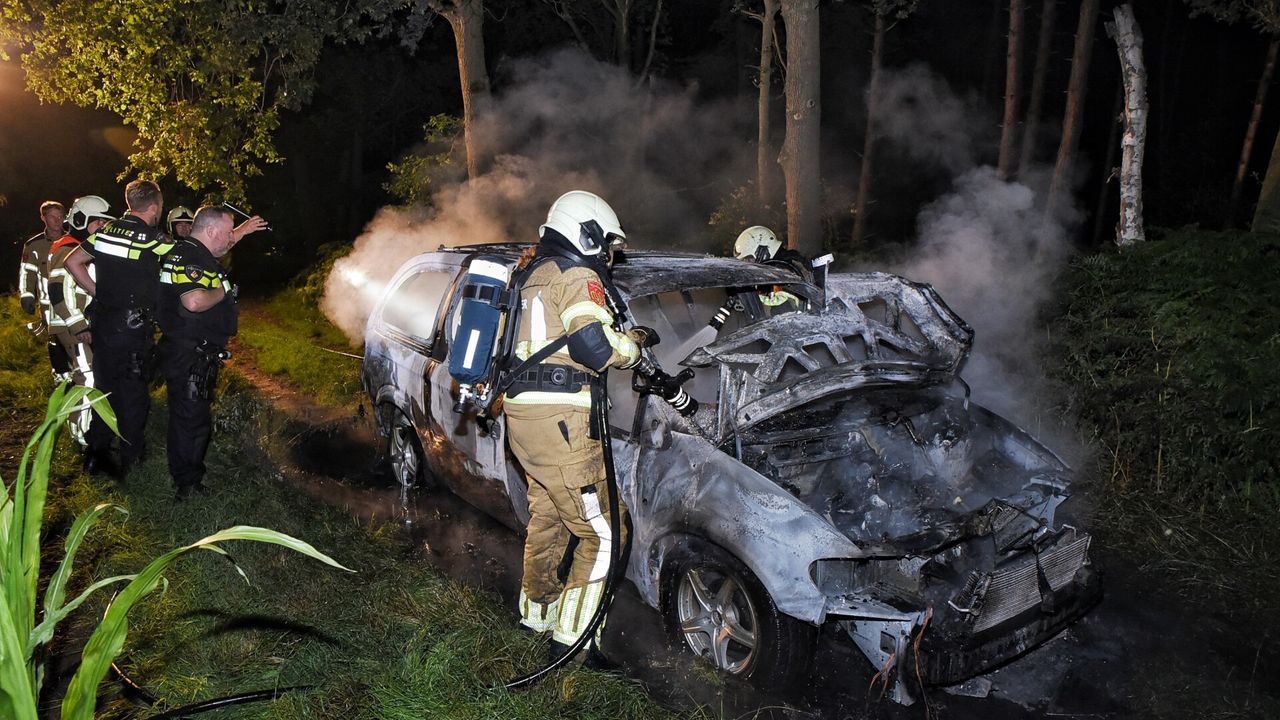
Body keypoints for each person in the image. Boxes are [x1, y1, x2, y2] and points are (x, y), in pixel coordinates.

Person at [502, 190, 643, 665]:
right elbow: (593, 349)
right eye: (606, 244)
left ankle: (535, 617)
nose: (608, 255)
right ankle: (574, 644)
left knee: (549, 520)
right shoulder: (577, 275)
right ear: (587, 234)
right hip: (561, 424)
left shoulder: (530, 273)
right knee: (605, 533)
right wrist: (633, 348)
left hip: (523, 420)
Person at [63, 180, 172, 476]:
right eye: (160, 207)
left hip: (104, 324)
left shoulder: (106, 232)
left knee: (103, 388)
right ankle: (131, 457)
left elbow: (73, 262)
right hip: (133, 328)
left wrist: (98, 291)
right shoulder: (152, 238)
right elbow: (185, 257)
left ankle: (96, 455)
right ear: (153, 207)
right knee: (133, 394)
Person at [157, 205, 264, 500]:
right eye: (227, 232)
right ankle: (187, 485)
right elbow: (194, 301)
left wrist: (241, 231)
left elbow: (219, 248)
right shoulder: (191, 257)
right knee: (191, 420)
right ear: (211, 231)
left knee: (188, 416)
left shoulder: (191, 250)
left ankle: (186, 476)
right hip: (190, 353)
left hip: (189, 349)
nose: (230, 238)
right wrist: (225, 290)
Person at [48, 195, 114, 447]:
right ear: (81, 220)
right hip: (71, 328)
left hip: (76, 325)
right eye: (99, 222)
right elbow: (57, 293)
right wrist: (79, 325)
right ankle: (82, 436)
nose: (103, 228)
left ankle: (86, 430)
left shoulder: (79, 247)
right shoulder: (67, 248)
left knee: (87, 377)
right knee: (87, 379)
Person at [18, 200, 70, 375]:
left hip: (73, 301)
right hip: (49, 306)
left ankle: (82, 373)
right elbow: (27, 272)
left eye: (60, 216)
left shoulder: (73, 240)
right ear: (43, 217)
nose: (57, 220)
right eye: (52, 216)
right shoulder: (34, 245)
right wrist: (26, 295)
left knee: (78, 336)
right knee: (55, 339)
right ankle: (62, 376)